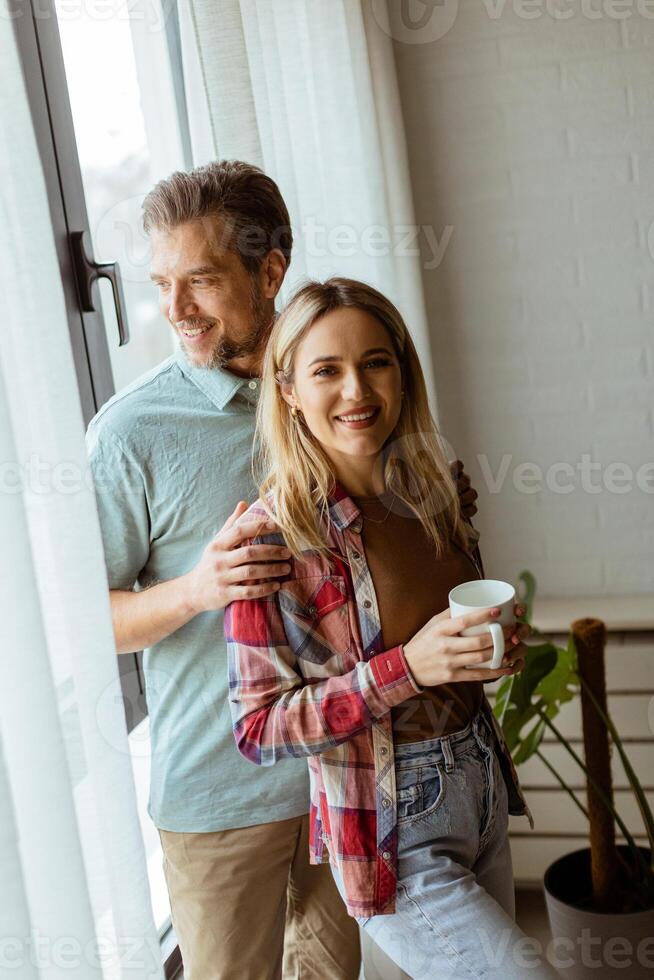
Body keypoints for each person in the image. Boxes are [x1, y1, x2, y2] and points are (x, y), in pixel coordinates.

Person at [86, 161, 478, 980]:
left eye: (200, 280)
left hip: (349, 778)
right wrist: (199, 588)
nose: (176, 310)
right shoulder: (129, 435)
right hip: (220, 801)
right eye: (162, 284)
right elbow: (82, 624)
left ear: (271, 270)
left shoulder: (341, 392)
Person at [225, 277, 560, 979]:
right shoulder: (269, 541)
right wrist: (411, 667)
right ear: (287, 389)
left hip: (479, 785)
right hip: (390, 826)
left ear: (402, 370)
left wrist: (489, 653)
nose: (357, 391)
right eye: (327, 370)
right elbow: (259, 729)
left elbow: (446, 635)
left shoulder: (436, 491)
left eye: (376, 362)